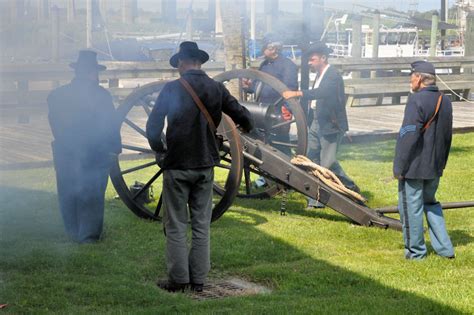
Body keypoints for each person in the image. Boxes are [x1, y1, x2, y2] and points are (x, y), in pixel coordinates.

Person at [146, 41, 254, 292]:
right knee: (201, 224)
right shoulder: (216, 88)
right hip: (205, 164)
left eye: (178, 65)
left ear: (183, 62)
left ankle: (179, 280)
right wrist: (246, 127)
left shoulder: (172, 89)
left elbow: (153, 127)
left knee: (175, 225)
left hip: (177, 165)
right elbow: (243, 116)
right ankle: (198, 281)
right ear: (199, 62)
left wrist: (160, 149)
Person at [48, 50, 122, 243]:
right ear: (92, 73)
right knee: (92, 194)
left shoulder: (56, 96)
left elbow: (54, 124)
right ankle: (88, 236)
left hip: (65, 152)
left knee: (68, 192)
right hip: (94, 152)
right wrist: (115, 148)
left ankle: (72, 231)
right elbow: (111, 125)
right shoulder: (102, 96)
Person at [282, 42, 359, 208]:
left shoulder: (333, 75)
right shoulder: (319, 74)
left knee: (328, 162)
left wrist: (297, 93)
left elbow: (322, 93)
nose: (309, 63)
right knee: (311, 160)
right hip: (316, 122)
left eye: (313, 59)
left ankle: (350, 187)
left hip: (330, 124)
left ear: (323, 58)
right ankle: (315, 198)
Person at [393, 61, 455, 260]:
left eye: (411, 76)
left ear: (419, 78)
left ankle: (415, 252)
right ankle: (445, 249)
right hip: (435, 165)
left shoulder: (415, 100)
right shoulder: (445, 100)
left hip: (414, 167)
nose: (410, 80)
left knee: (411, 209)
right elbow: (447, 136)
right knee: (431, 204)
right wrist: (442, 163)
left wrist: (399, 166)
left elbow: (408, 135)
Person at [243, 36, 298, 155]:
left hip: (277, 113)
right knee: (265, 147)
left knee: (281, 148)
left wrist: (287, 109)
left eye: (265, 47)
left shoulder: (287, 65)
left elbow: (291, 89)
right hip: (262, 112)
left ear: (273, 48)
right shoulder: (264, 65)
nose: (263, 50)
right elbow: (259, 86)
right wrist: (249, 87)